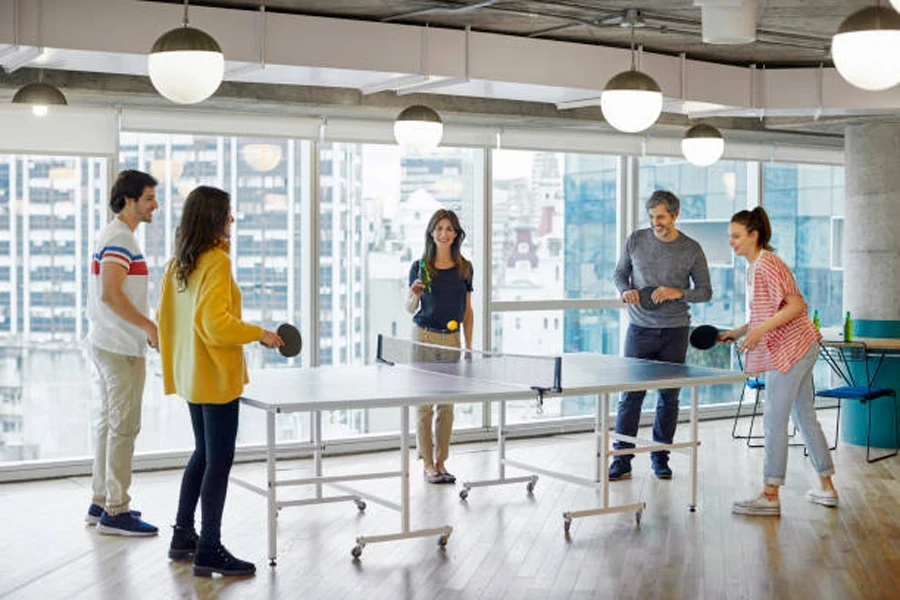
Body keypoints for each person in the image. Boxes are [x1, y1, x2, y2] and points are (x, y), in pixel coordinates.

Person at [157, 186, 283, 576]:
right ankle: (209, 547)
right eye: (227, 214)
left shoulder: (179, 263)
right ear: (213, 218)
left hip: (192, 374)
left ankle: (183, 536)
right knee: (219, 460)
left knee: (203, 454)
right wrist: (260, 333)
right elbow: (215, 324)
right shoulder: (216, 261)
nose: (232, 220)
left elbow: (168, 320)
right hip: (214, 377)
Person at [721, 207, 837, 516]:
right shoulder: (756, 266)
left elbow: (797, 305)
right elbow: (769, 311)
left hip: (790, 351)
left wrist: (758, 330)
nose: (731, 242)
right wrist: (741, 330)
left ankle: (770, 494)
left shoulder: (767, 265)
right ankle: (827, 488)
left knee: (774, 418)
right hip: (801, 346)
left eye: (736, 236)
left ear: (753, 235)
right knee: (804, 415)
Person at [611, 190, 712, 481]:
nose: (656, 223)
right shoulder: (635, 240)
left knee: (669, 398)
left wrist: (678, 291)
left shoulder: (691, 249)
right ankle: (621, 460)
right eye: (653, 217)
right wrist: (625, 290)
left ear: (675, 215)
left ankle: (660, 458)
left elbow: (705, 291)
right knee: (631, 397)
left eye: (662, 217)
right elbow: (619, 274)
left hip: (675, 331)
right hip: (639, 330)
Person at [86, 169, 160, 536]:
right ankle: (116, 511)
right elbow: (111, 293)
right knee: (124, 426)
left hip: (106, 341)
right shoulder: (120, 237)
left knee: (109, 423)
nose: (155, 205)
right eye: (148, 198)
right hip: (119, 346)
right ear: (129, 200)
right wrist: (149, 326)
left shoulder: (116, 234)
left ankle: (101, 501)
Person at [406, 209, 474, 484]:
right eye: (440, 228)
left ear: (456, 234)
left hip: (451, 339)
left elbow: (468, 312)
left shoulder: (464, 268)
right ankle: (428, 464)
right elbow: (410, 308)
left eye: (450, 229)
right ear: (431, 232)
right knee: (424, 405)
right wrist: (414, 293)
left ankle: (442, 461)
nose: (444, 234)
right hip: (423, 336)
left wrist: (469, 346)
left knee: (446, 405)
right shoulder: (420, 266)